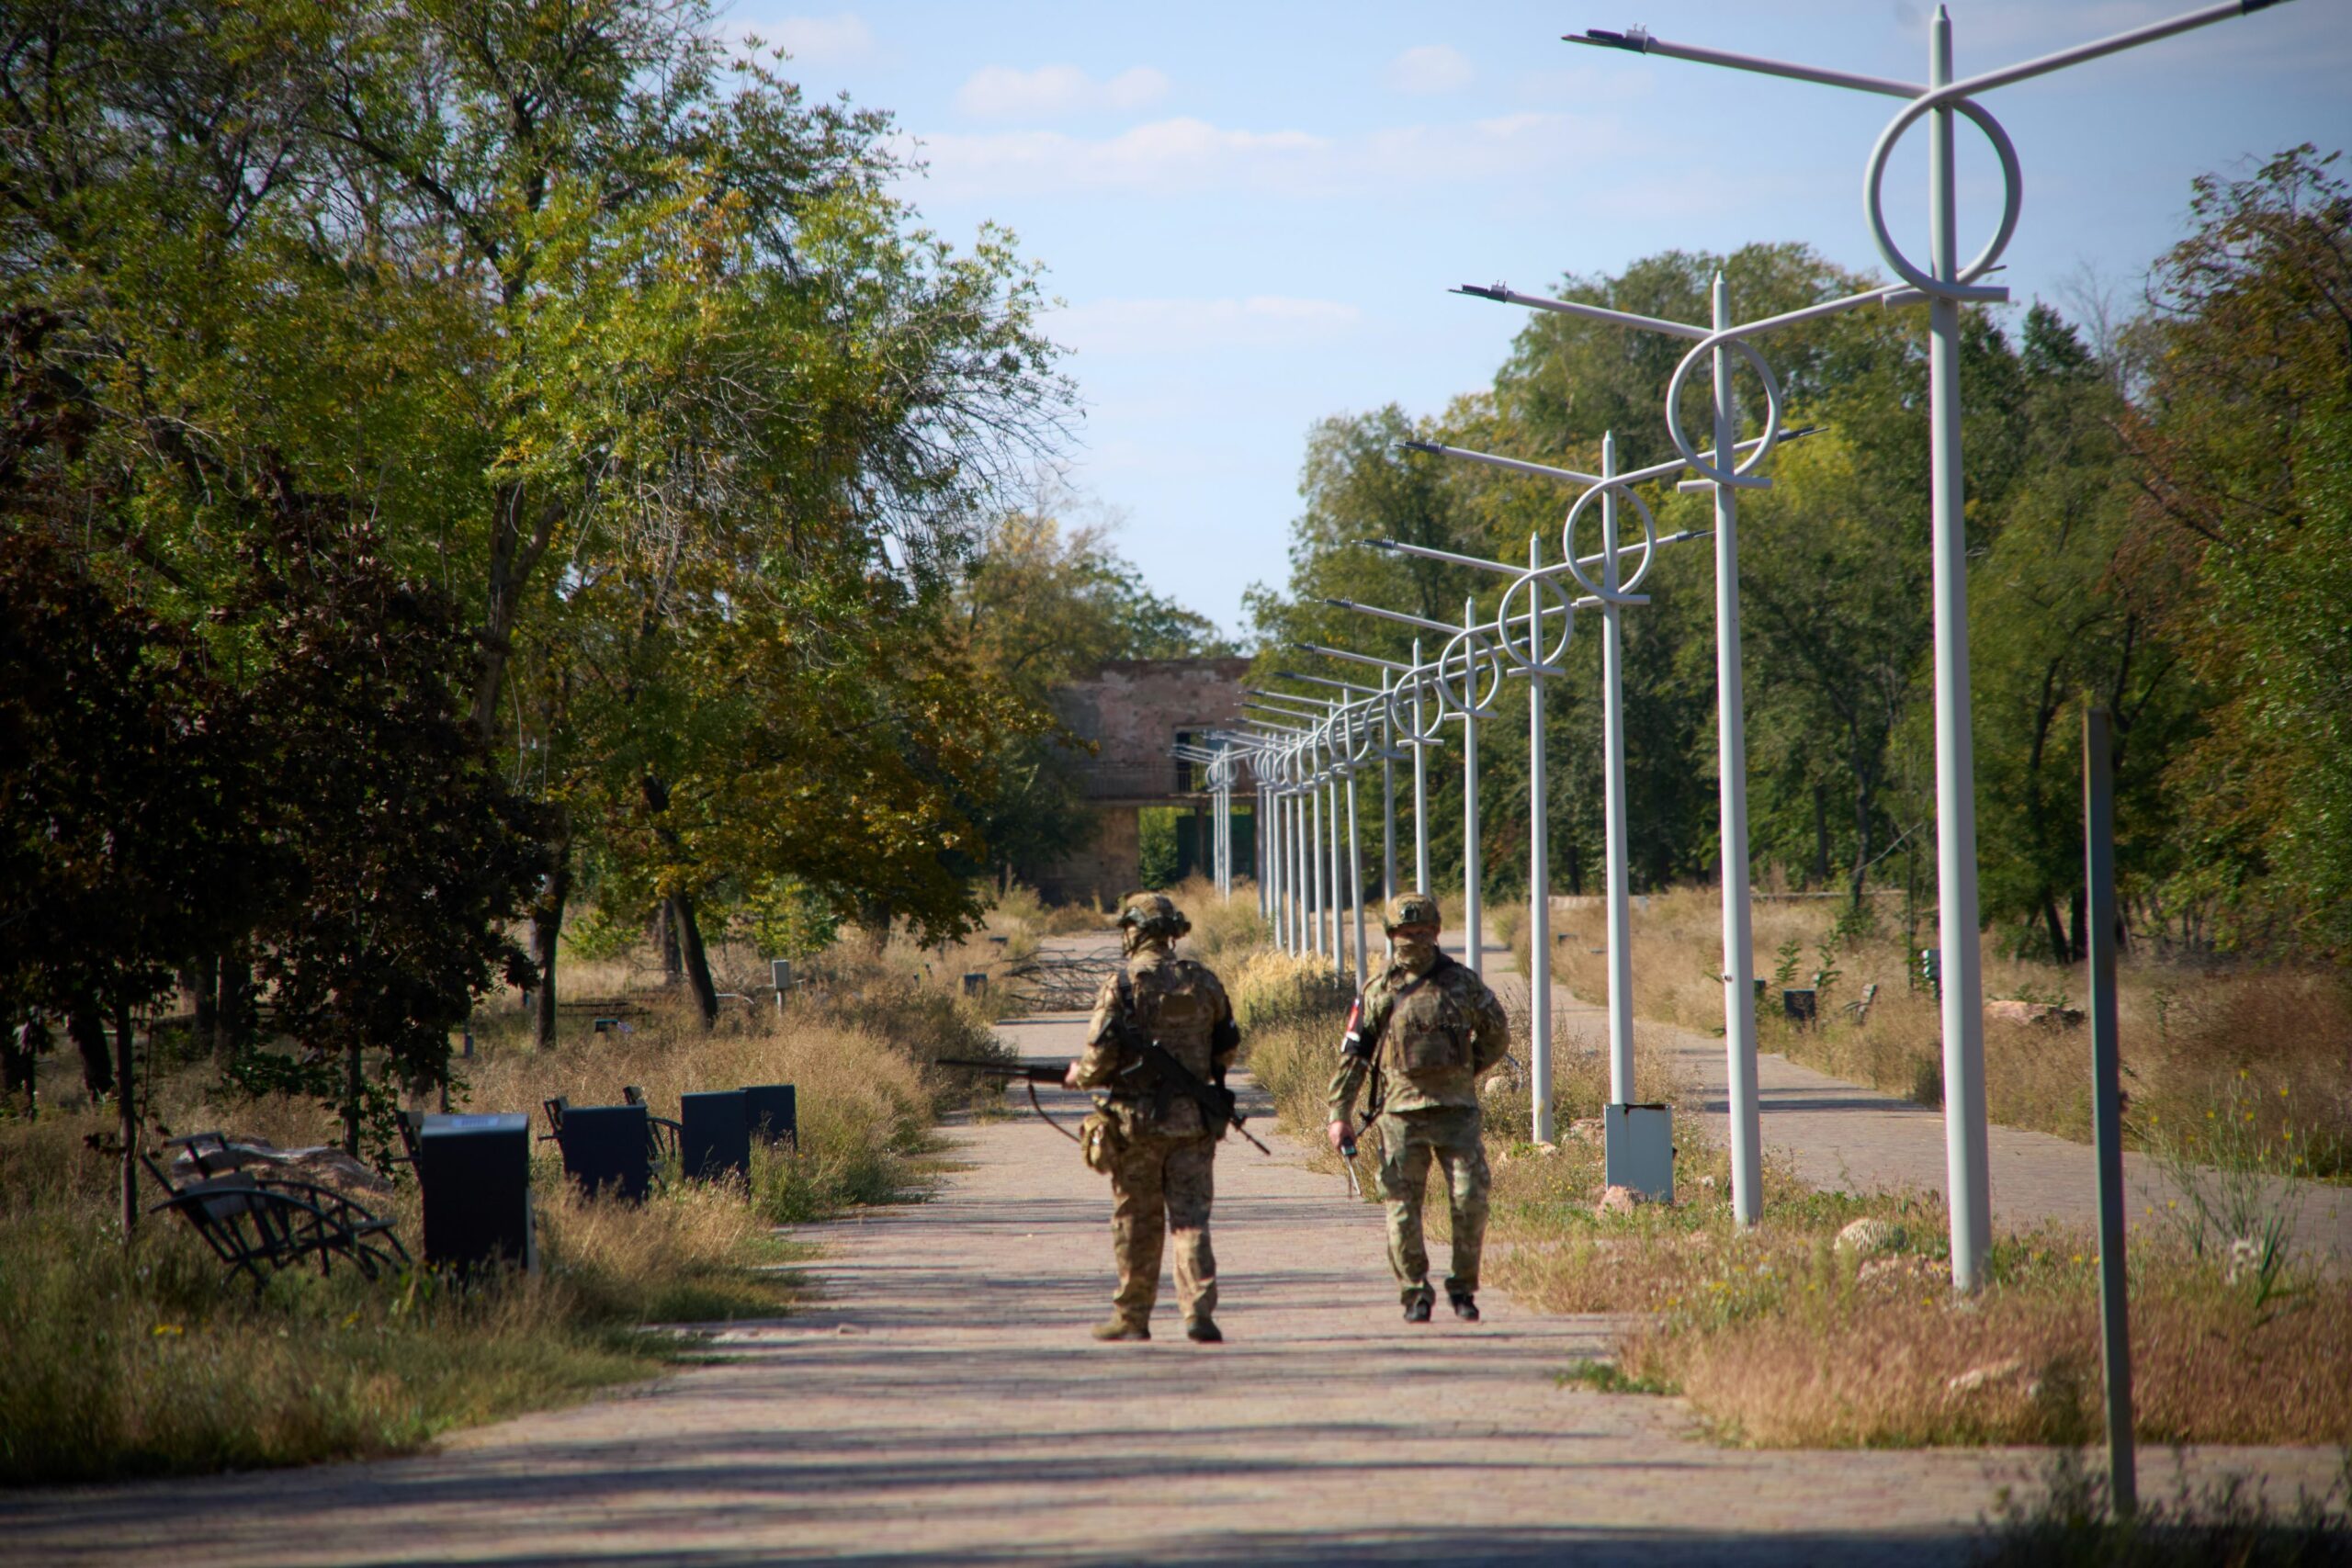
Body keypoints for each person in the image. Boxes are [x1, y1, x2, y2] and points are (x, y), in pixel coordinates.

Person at [1326, 891, 1510, 1323]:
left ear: (1437, 932)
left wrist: (1466, 1070)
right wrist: (1340, 1115)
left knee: (1469, 1199)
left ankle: (1463, 1289)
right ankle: (1415, 1292)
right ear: (1390, 935)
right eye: (1406, 932)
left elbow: (1497, 1034)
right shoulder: (1378, 991)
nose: (1414, 939)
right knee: (1402, 1206)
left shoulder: (1462, 984)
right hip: (1399, 1116)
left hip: (1456, 1114)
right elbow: (1354, 1056)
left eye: (1423, 931)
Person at [1065, 891, 1240, 1343]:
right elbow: (1227, 1049)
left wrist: (1079, 1076)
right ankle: (1198, 1311)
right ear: (1172, 933)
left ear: (1135, 931)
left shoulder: (1122, 985)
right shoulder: (1203, 982)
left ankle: (1133, 1316)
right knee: (1191, 1220)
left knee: (1136, 1221)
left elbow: (1098, 1059)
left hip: (1135, 1128)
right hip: (1193, 1126)